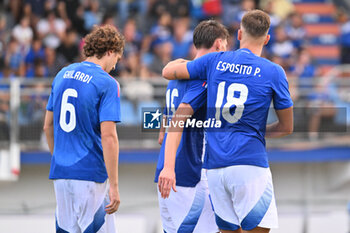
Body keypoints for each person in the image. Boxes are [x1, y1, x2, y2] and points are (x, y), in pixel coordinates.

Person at [161, 10, 293, 233]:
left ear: (239, 34)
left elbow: (169, 72)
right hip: (249, 163)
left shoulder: (215, 61)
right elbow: (287, 127)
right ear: (267, 39)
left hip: (215, 168)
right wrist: (258, 131)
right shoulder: (274, 72)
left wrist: (181, 62)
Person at [43, 25, 125, 233]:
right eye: (116, 58)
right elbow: (109, 137)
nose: (115, 66)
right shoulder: (107, 83)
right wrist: (114, 186)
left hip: (61, 175)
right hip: (90, 175)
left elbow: (47, 126)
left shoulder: (62, 74)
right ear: (109, 51)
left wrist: (59, 158)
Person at [156, 20, 229, 233]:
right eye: (225, 45)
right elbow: (178, 120)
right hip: (187, 174)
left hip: (165, 170)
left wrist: (166, 161)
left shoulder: (177, 72)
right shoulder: (202, 77)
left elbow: (164, 126)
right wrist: (171, 167)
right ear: (218, 44)